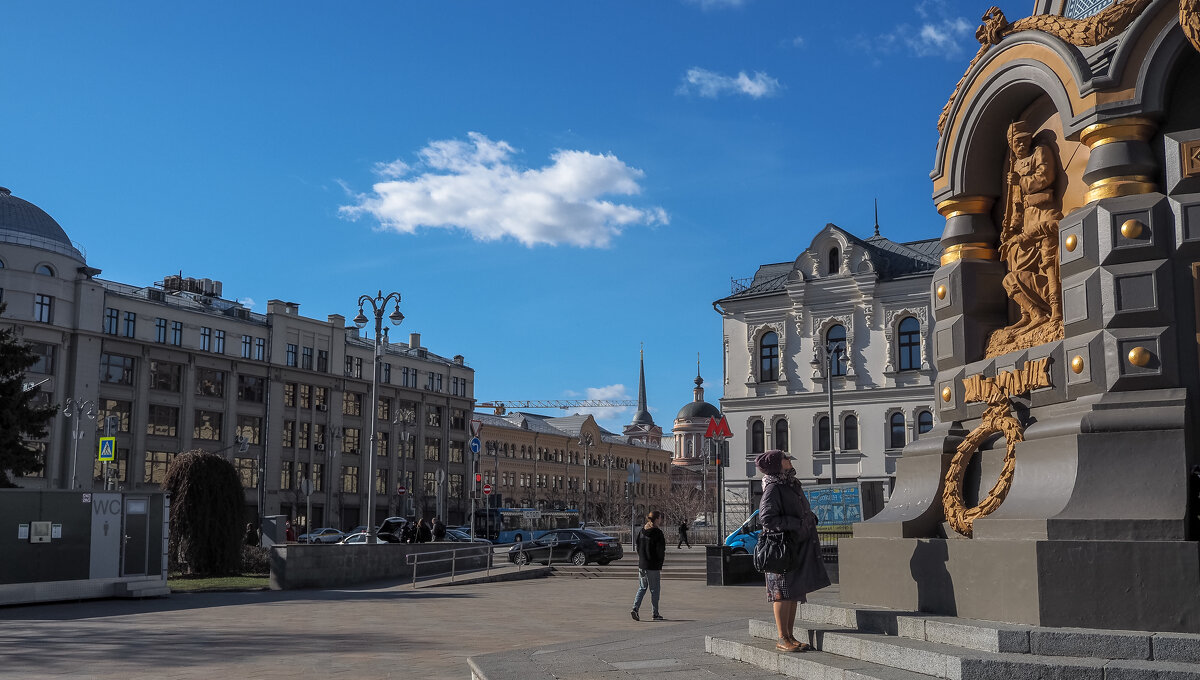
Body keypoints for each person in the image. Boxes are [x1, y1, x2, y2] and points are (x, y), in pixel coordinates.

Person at [757, 449, 830, 653]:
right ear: (777, 464)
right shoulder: (773, 487)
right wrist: (797, 523)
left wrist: (809, 517)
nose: (789, 460)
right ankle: (782, 637)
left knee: (793, 591)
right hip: (780, 549)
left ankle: (790, 636)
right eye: (785, 458)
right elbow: (767, 518)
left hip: (793, 546)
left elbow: (797, 507)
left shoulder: (789, 483)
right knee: (780, 593)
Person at [631, 509, 666, 622]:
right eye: (660, 518)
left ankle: (635, 608)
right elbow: (661, 550)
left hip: (642, 564)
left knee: (642, 587)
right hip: (653, 565)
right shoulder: (657, 533)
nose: (661, 520)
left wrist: (642, 558)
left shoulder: (642, 531)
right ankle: (655, 613)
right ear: (656, 519)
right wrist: (660, 563)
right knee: (655, 590)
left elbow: (638, 546)